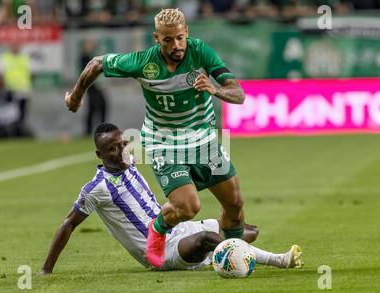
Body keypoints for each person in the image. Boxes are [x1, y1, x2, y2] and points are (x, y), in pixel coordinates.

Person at [65, 8, 251, 268]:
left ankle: (233, 259)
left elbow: (238, 94)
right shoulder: (143, 62)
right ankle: (159, 227)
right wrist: (76, 96)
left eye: (179, 38)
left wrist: (215, 88)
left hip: (203, 141)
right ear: (156, 38)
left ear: (186, 33)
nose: (176, 45)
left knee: (235, 204)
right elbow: (97, 63)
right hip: (164, 142)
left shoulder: (200, 52)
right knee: (187, 207)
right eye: (168, 40)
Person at [39, 123, 303, 274]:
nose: (120, 151)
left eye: (121, 144)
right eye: (111, 149)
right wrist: (46, 270)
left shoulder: (130, 160)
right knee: (208, 239)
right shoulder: (97, 189)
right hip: (159, 251)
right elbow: (68, 224)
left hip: (178, 229)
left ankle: (215, 257)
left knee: (248, 231)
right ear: (99, 155)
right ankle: (279, 260)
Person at [80, 39, 109, 136]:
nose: (90, 47)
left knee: (101, 106)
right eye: (89, 44)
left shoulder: (91, 57)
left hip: (96, 86)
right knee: (93, 108)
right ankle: (90, 131)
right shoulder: (84, 57)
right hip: (92, 87)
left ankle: (101, 130)